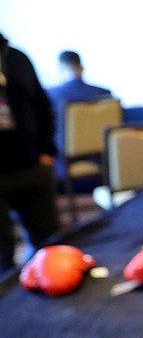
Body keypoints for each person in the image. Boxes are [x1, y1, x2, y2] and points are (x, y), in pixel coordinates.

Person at [0, 32, 60, 273]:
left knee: (49, 244)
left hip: (31, 165)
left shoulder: (15, 58)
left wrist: (46, 152)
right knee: (3, 252)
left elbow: (43, 105)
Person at [46, 50, 115, 153]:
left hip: (63, 158)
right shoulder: (105, 93)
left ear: (60, 70)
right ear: (82, 67)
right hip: (103, 155)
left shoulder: (51, 94)